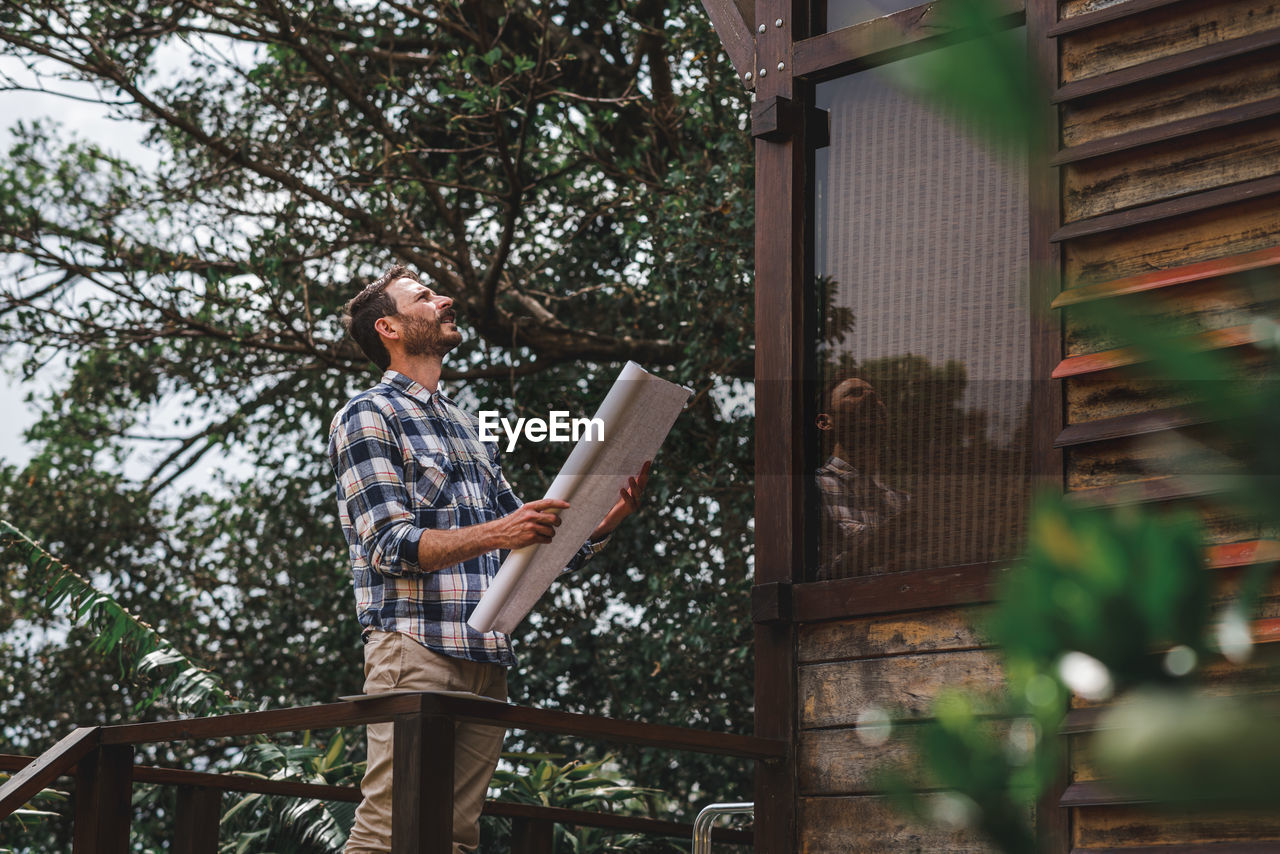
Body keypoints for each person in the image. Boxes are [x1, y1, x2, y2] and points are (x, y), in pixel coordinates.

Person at [328, 265, 649, 853]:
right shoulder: (366, 416)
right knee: (385, 834)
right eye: (424, 297)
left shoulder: (462, 426)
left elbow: (527, 542)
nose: (444, 299)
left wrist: (605, 520)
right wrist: (502, 530)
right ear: (389, 327)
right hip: (415, 648)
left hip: (484, 657)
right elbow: (388, 546)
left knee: (452, 840)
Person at [814, 373, 913, 578]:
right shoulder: (810, 489)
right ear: (825, 422)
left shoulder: (903, 500)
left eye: (876, 396)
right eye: (855, 393)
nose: (871, 397)